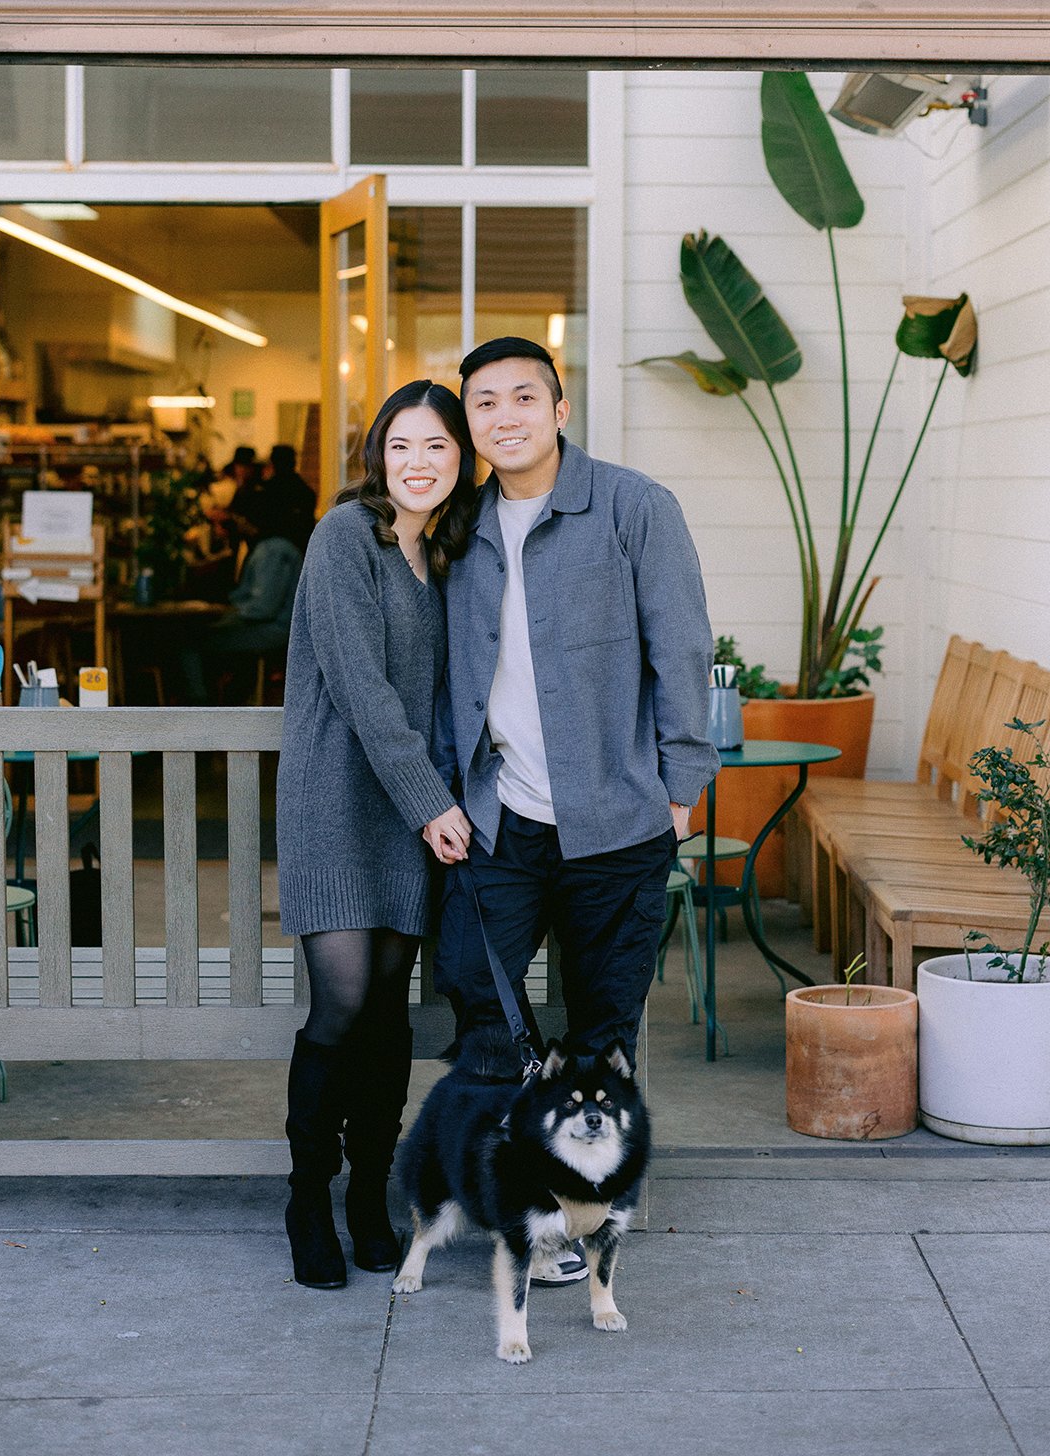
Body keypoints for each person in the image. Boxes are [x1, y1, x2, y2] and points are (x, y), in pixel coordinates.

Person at [435, 335, 719, 1274]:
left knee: (602, 1032)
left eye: (524, 397)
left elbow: (680, 651)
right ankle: (512, 1197)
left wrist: (682, 792)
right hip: (501, 822)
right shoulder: (458, 526)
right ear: (469, 421)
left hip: (619, 820)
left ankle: (583, 1212)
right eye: (484, 402)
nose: (504, 415)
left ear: (561, 410)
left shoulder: (635, 508)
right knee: (484, 1007)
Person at [275, 382, 477, 1290]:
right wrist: (432, 801)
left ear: (461, 458)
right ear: (377, 454)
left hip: (413, 807)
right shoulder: (341, 537)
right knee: (343, 1003)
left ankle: (368, 1198)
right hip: (338, 795)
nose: (418, 463)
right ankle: (307, 1199)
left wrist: (438, 800)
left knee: (390, 1008)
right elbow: (359, 688)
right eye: (401, 445)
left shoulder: (449, 551)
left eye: (436, 446)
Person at [174, 527, 302, 704]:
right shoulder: (266, 548)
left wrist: (224, 612)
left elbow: (263, 608)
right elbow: (248, 597)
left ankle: (198, 703)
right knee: (197, 637)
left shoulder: (273, 550)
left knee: (190, 642)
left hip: (273, 629)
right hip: (272, 625)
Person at [252, 442, 317, 551]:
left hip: (271, 551)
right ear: (294, 463)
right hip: (300, 550)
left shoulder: (266, 491)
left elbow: (259, 525)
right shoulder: (305, 491)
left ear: (273, 464)